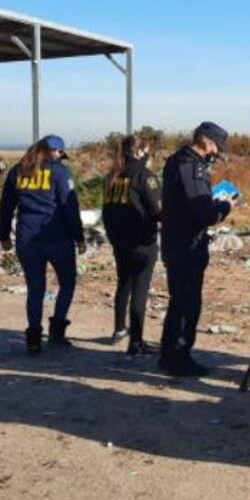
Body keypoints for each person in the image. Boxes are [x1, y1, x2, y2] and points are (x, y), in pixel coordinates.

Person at [159, 122, 236, 377]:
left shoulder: (175, 161)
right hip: (187, 245)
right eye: (215, 146)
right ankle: (179, 357)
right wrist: (224, 208)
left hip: (174, 241)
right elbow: (201, 213)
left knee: (178, 300)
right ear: (205, 140)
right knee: (187, 303)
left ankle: (168, 354)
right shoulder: (191, 167)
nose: (216, 152)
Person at [0, 134, 87, 353]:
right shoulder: (60, 172)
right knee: (67, 282)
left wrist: (4, 236)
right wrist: (79, 237)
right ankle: (57, 331)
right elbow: (69, 207)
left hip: (27, 239)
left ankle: (34, 337)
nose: (59, 157)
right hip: (57, 238)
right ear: (51, 151)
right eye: (58, 153)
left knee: (35, 289)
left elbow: (6, 206)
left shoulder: (18, 171)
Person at [103, 133, 162, 356]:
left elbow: (107, 211)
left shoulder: (112, 177)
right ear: (140, 152)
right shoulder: (144, 176)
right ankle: (136, 342)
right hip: (142, 241)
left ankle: (119, 330)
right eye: (148, 152)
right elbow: (157, 211)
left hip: (119, 241)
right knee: (140, 289)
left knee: (123, 285)